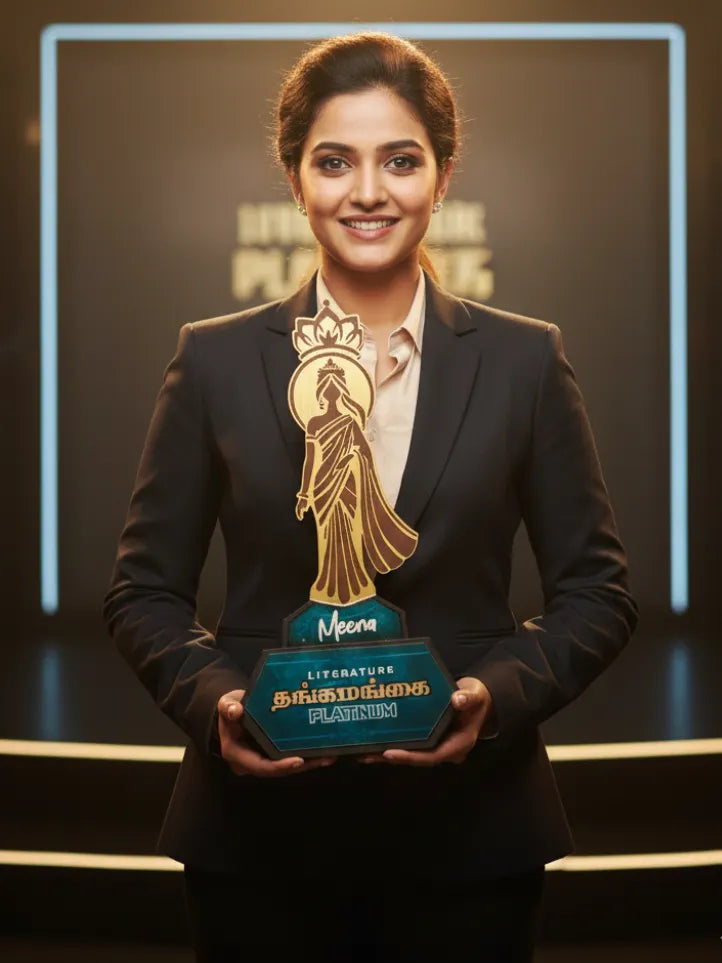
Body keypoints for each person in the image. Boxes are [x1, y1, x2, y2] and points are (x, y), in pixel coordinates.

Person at [102, 31, 638, 963]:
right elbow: (143, 591)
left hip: (473, 841)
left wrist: (491, 696)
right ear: (294, 179)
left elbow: (599, 592)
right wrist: (221, 704)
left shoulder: (525, 359)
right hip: (259, 843)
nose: (367, 191)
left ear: (442, 175)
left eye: (399, 160)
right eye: (334, 161)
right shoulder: (214, 359)